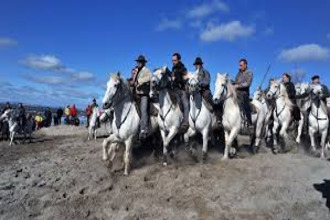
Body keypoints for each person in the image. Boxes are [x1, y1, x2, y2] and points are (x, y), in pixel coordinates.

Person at [133, 55, 151, 139]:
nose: (138, 63)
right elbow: (133, 82)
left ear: (143, 63)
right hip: (136, 94)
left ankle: (144, 129)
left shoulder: (146, 70)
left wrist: (139, 81)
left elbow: (149, 77)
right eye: (138, 62)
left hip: (144, 94)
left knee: (143, 110)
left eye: (140, 62)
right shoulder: (136, 70)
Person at [234, 58, 253, 131]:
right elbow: (236, 81)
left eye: (241, 65)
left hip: (244, 93)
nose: (239, 67)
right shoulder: (238, 73)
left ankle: (249, 122)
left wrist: (238, 86)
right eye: (239, 65)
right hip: (236, 92)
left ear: (245, 65)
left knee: (246, 105)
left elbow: (248, 83)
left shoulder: (249, 72)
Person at [171, 52, 189, 131]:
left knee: (186, 104)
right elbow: (172, 79)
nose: (173, 62)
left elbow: (186, 79)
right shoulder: (173, 69)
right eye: (172, 60)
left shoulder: (183, 68)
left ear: (179, 60)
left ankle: (185, 122)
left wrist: (178, 80)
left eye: (174, 60)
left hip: (181, 90)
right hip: (173, 89)